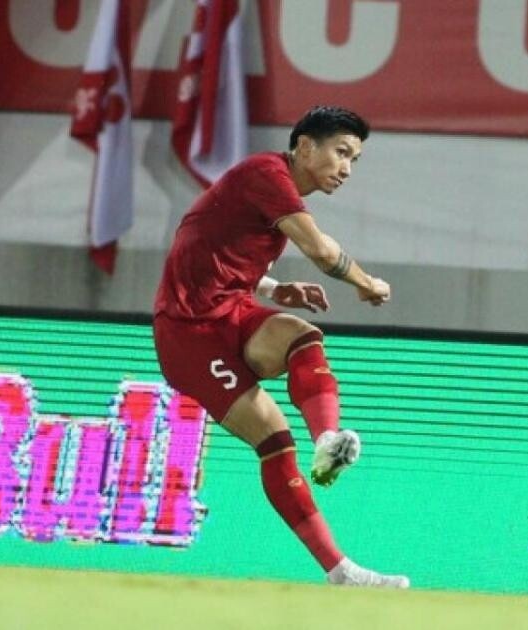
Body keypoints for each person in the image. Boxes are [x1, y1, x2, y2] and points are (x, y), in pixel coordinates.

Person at [152, 106, 408, 588]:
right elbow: (323, 252)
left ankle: (328, 445)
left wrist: (271, 289)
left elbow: (210, 244)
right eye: (341, 152)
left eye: (354, 159)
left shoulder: (268, 190)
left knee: (301, 334)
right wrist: (365, 282)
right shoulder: (268, 175)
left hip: (230, 312)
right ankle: (338, 566)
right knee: (273, 439)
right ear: (305, 146)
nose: (347, 168)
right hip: (187, 334)